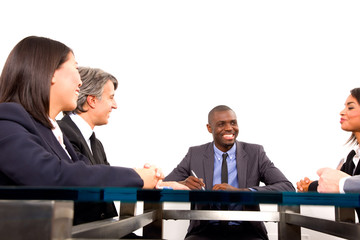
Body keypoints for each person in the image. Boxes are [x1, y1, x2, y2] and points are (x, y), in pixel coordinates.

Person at [0, 36, 162, 191]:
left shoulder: (52, 130)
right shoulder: (6, 122)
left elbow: (87, 172)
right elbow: (52, 175)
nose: (80, 82)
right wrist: (135, 177)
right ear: (51, 73)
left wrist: (144, 175)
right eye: (75, 69)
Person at [164, 105, 295, 240]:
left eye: (233, 122)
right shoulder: (195, 154)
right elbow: (162, 185)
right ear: (209, 128)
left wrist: (242, 192)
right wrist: (181, 184)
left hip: (247, 231)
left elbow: (287, 187)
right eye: (221, 124)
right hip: (204, 231)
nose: (229, 128)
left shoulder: (255, 153)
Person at [57, 67, 119, 225]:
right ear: (92, 100)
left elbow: (108, 181)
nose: (115, 105)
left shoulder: (95, 143)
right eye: (111, 98)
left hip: (103, 229)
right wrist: (139, 177)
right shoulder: (60, 133)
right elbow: (87, 180)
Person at [297, 88, 360, 194]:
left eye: (350, 107)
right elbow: (335, 187)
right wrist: (310, 186)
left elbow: (341, 184)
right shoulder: (351, 159)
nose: (342, 112)